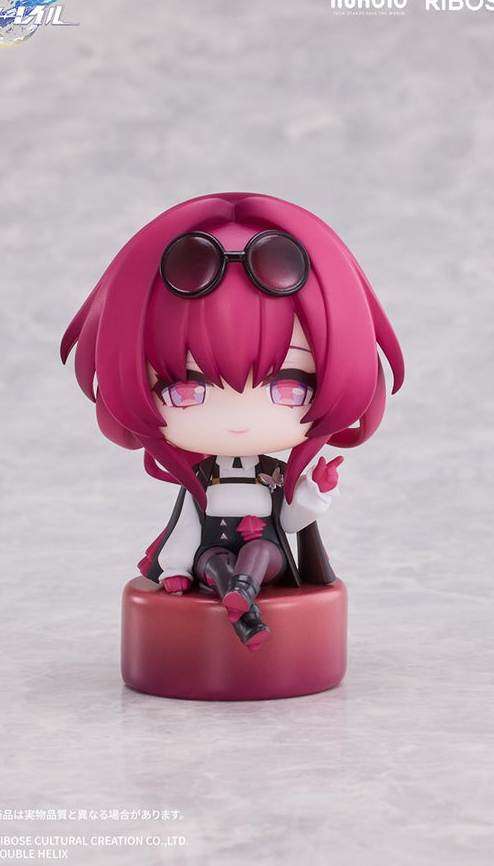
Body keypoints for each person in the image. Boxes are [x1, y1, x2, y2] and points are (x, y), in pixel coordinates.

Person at [61, 192, 404, 650]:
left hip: (268, 554)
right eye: (187, 390)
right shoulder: (202, 480)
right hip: (211, 553)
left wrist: (316, 493)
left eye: (287, 386)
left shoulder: (273, 476)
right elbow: (184, 527)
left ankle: (242, 590)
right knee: (213, 560)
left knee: (260, 550)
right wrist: (177, 569)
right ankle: (236, 595)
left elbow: (291, 520)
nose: (239, 415)